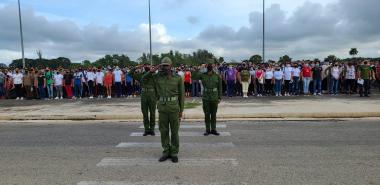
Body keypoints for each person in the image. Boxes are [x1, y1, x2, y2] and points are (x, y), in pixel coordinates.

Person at [154, 57, 184, 163]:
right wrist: (153, 70)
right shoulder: (157, 77)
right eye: (163, 65)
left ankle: (174, 152)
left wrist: (181, 110)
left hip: (174, 108)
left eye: (167, 65)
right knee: (163, 131)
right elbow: (144, 79)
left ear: (171, 66)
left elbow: (181, 95)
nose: (165, 67)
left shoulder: (178, 78)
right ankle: (166, 151)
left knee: (175, 132)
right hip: (162, 108)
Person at [200, 61, 222, 136]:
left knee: (213, 114)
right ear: (206, 66)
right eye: (208, 65)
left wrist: (219, 97)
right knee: (206, 114)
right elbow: (194, 76)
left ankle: (213, 129)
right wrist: (201, 68)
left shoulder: (217, 76)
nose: (209, 66)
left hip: (214, 97)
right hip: (206, 97)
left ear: (213, 66)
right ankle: (207, 130)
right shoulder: (203, 75)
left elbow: (220, 87)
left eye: (210, 65)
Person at [140, 64, 157, 136]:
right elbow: (130, 73)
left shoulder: (155, 75)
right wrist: (137, 67)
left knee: (152, 113)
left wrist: (157, 97)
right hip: (144, 95)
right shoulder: (142, 74)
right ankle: (146, 129)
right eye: (146, 65)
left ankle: (152, 129)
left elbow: (157, 86)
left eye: (149, 65)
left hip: (152, 95)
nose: (147, 66)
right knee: (145, 113)